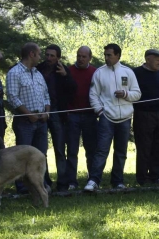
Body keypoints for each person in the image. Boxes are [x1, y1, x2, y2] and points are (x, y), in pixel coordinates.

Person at [86, 44, 141, 191]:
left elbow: (137, 94)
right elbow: (93, 95)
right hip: (106, 118)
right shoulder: (99, 72)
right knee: (101, 150)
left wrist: (126, 94)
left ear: (118, 56)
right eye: (105, 55)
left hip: (125, 118)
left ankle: (117, 181)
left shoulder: (128, 72)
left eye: (109, 55)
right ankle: (94, 181)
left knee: (121, 151)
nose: (106, 57)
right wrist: (99, 111)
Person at [6, 42, 52, 193]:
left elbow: (46, 95)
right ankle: (22, 188)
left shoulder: (37, 73)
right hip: (24, 122)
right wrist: (29, 114)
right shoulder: (15, 73)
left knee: (41, 155)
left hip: (41, 121)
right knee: (22, 156)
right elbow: (12, 97)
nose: (40, 57)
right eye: (38, 54)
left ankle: (40, 186)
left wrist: (46, 112)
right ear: (31, 54)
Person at [36, 44, 76, 192]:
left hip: (58, 112)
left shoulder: (63, 70)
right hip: (41, 112)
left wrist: (65, 76)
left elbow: (73, 89)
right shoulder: (38, 69)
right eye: (47, 55)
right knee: (41, 150)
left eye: (52, 56)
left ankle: (63, 183)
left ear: (58, 57)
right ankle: (45, 182)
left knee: (60, 149)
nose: (49, 58)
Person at [65, 46, 98, 191]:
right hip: (72, 114)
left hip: (90, 114)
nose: (81, 59)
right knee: (72, 150)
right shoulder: (69, 71)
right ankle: (72, 181)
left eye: (84, 56)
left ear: (89, 58)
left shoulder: (95, 72)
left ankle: (92, 179)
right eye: (79, 56)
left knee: (91, 149)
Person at [132, 49, 159, 185]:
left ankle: (155, 175)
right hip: (143, 113)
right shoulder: (136, 73)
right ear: (148, 59)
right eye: (157, 59)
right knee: (144, 147)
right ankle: (142, 177)